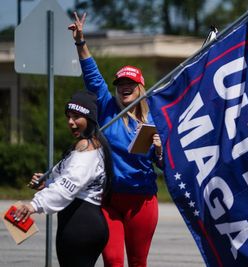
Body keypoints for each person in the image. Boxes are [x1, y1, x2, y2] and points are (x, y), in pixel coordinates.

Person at [68, 12, 163, 267]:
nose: (124, 86)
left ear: (140, 86)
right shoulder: (108, 107)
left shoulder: (153, 119)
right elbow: (93, 75)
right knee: (111, 260)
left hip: (142, 201)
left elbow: (164, 165)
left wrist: (160, 151)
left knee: (137, 261)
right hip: (109, 198)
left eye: (130, 82)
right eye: (120, 82)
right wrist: (80, 41)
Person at [14, 90, 114, 267]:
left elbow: (67, 187)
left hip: (80, 226)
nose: (71, 122)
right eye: (69, 116)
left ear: (89, 118)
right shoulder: (91, 144)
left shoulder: (86, 148)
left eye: (76, 117)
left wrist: (33, 205)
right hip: (85, 223)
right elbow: (73, 181)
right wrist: (48, 183)